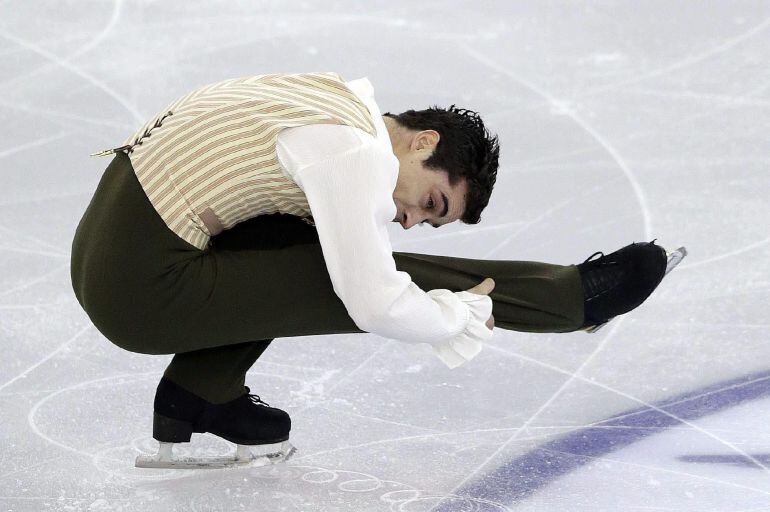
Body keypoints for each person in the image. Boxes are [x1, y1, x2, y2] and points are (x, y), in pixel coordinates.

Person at [70, 72, 674, 466]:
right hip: (141, 288)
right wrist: (452, 317)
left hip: (107, 255)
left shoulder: (331, 102)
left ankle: (199, 395)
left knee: (316, 239)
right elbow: (373, 299)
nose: (411, 217)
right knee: (364, 269)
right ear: (423, 141)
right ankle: (570, 299)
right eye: (432, 202)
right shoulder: (349, 154)